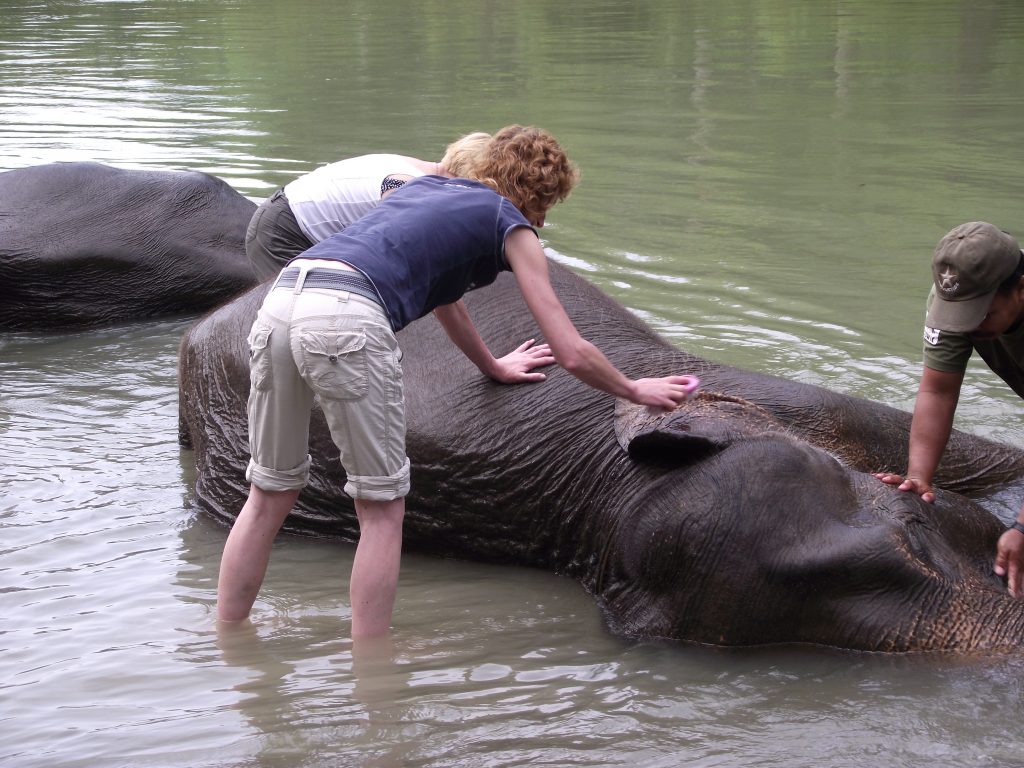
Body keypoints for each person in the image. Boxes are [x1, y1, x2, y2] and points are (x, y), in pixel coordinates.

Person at [216, 125, 701, 636]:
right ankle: (373, 676)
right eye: (548, 205)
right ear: (539, 194)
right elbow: (570, 350)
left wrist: (492, 365)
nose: (542, 220)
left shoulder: (424, 190)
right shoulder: (513, 226)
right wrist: (635, 389)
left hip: (282, 299)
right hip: (345, 316)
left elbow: (445, 298)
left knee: (269, 493)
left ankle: (226, 639)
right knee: (381, 511)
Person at [874, 221, 1024, 596]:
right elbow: (938, 391)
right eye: (960, 316)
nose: (968, 328)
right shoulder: (958, 297)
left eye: (981, 315)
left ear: (1021, 290)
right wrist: (919, 475)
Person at [245, 131, 491, 281]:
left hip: (294, 219)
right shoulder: (410, 185)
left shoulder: (418, 168)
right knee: (297, 321)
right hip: (283, 231)